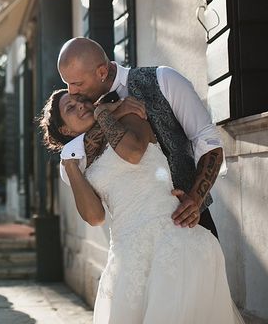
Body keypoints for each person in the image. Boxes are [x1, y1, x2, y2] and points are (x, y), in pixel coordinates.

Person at [39, 89, 243, 323]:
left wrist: (105, 113)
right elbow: (95, 217)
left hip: (172, 239)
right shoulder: (77, 162)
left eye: (82, 100)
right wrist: (71, 166)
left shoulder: (128, 116)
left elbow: (134, 154)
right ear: (64, 129)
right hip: (126, 258)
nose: (82, 106)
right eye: (71, 108)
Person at [57, 37, 224, 236]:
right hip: (132, 240)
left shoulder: (164, 79)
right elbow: (72, 163)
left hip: (189, 224)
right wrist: (107, 113)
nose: (71, 92)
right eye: (67, 84)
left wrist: (196, 199)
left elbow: (208, 140)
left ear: (102, 72)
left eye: (76, 83)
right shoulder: (84, 116)